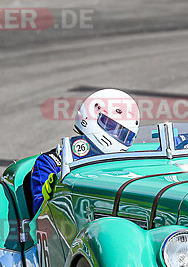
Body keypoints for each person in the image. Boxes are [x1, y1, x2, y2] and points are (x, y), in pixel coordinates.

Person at [30, 88, 141, 216]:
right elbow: (41, 215)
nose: (116, 135)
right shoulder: (51, 162)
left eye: (124, 135)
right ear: (93, 114)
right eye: (112, 127)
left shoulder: (123, 167)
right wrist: (57, 194)